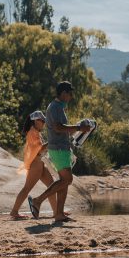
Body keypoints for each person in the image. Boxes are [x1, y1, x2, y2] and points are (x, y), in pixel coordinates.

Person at [28, 81, 89, 223]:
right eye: (70, 93)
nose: (71, 96)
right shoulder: (55, 107)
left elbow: (61, 127)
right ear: (63, 93)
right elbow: (58, 128)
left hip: (62, 148)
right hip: (58, 148)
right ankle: (38, 201)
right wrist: (79, 128)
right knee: (67, 180)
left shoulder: (58, 107)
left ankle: (59, 214)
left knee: (64, 181)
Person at [9, 111, 58, 220]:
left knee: (51, 185)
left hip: (40, 162)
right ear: (36, 121)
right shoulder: (32, 132)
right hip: (36, 164)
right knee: (27, 188)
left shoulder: (35, 131)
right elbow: (40, 149)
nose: (44, 123)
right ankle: (14, 211)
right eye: (42, 121)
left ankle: (56, 212)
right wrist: (52, 141)